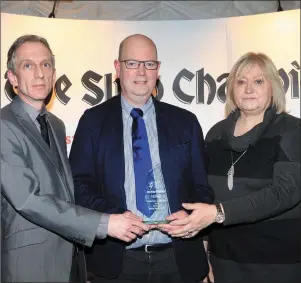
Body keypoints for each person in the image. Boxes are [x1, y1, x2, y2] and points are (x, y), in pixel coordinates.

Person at [1, 34, 150, 283]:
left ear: (54, 73)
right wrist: (104, 223)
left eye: (46, 65)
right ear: (13, 78)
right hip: (28, 265)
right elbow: (28, 199)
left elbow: (66, 191)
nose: (39, 73)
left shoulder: (56, 125)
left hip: (70, 260)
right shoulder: (4, 125)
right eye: (28, 65)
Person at [69, 33, 214, 283]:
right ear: (117, 68)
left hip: (177, 260)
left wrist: (189, 215)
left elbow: (202, 187)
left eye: (149, 64)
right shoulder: (92, 122)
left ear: (158, 70)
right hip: (116, 261)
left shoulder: (186, 122)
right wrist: (113, 217)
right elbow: (78, 185)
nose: (141, 72)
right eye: (132, 63)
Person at [158, 52, 301, 283]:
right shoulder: (215, 134)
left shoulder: (292, 130)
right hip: (224, 265)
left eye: (258, 81)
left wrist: (219, 213)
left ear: (272, 87)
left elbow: (284, 193)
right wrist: (203, 256)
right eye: (241, 81)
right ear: (232, 89)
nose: (248, 88)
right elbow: (204, 198)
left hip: (279, 266)